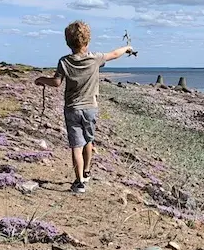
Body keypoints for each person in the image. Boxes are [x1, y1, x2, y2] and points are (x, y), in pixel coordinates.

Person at [35, 20, 132, 194]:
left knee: (76, 146)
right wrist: (127, 48)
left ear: (67, 42)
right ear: (88, 41)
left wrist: (41, 80)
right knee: (88, 140)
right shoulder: (95, 58)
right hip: (91, 108)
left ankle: (79, 182)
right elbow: (114, 54)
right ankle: (87, 171)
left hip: (72, 108)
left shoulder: (64, 61)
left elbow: (56, 82)